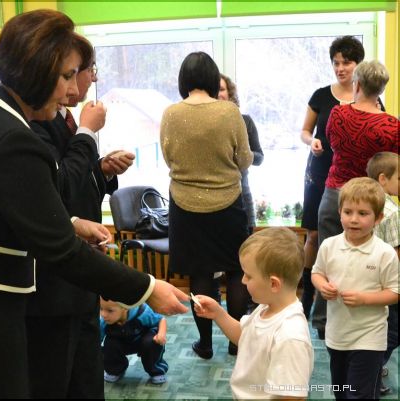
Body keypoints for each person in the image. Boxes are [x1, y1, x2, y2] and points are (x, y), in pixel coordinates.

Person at [0, 10, 188, 399]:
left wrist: (70, 221)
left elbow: (13, 201)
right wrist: (145, 287)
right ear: (36, 72)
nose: (72, 90)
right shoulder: (11, 137)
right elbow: (60, 250)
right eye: (66, 76)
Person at [26, 38, 135, 398]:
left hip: (81, 271)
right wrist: (88, 132)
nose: (84, 82)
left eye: (82, 72)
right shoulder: (34, 124)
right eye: (75, 73)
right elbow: (62, 191)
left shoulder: (63, 119)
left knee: (87, 373)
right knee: (58, 376)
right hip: (53, 285)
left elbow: (75, 183)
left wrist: (101, 170)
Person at [160, 51, 253, 360]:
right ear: (213, 79)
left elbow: (168, 157)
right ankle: (236, 341)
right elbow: (244, 159)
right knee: (236, 270)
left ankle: (205, 344)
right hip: (228, 203)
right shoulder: (229, 112)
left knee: (199, 274)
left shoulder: (171, 114)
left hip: (185, 205)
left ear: (183, 80)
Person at [313, 60, 398, 339]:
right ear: (381, 89)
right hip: (369, 202)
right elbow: (390, 163)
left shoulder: (338, 114)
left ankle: (323, 322)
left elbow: (330, 141)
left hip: (335, 194)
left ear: (357, 84)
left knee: (326, 258)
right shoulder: (392, 125)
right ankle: (359, 319)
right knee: (367, 261)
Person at [192, 227, 314, 399]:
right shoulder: (267, 306)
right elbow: (245, 336)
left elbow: (292, 396)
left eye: (248, 276)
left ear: (273, 284)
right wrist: (218, 313)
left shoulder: (290, 337)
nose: (242, 280)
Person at [299, 36, 366, 323]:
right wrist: (311, 141)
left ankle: (342, 298)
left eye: (346, 63)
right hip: (319, 172)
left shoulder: (368, 97)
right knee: (314, 235)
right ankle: (307, 298)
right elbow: (305, 131)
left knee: (350, 235)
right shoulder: (320, 95)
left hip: (353, 178)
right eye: (336, 63)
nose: (340, 69)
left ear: (358, 65)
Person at [312, 177, 398, 400]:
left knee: (359, 395)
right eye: (348, 212)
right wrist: (322, 286)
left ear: (378, 218)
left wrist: (364, 299)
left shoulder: (385, 253)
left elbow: (395, 292)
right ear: (339, 212)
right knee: (341, 392)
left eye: (363, 213)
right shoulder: (329, 246)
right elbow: (316, 273)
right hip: (337, 334)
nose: (354, 219)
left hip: (370, 337)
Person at [366, 152, 399, 395]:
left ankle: (373, 367)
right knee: (393, 332)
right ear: (383, 179)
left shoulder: (366, 205)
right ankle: (372, 372)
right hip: (390, 285)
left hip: (370, 281)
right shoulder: (393, 212)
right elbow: (396, 254)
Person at [218, 74, 264, 231]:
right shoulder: (204, 125)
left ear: (230, 93)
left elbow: (259, 158)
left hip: (242, 196)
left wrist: (243, 154)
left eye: (221, 89)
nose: (218, 94)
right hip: (213, 200)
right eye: (214, 90)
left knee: (247, 242)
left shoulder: (245, 121)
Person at [99, 297, 168, 385]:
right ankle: (115, 369)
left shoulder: (143, 313)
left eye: (110, 310)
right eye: (101, 308)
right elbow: (96, 340)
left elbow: (161, 319)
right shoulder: (104, 322)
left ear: (125, 308)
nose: (103, 314)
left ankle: (156, 370)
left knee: (152, 342)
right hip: (123, 343)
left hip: (143, 340)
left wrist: (161, 334)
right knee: (109, 344)